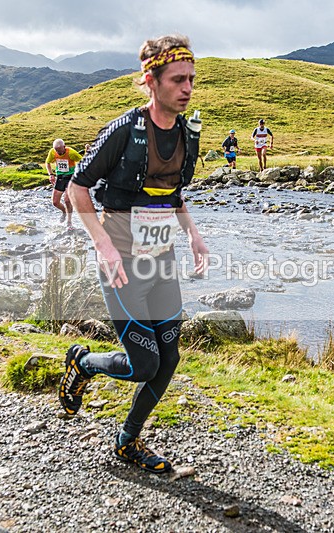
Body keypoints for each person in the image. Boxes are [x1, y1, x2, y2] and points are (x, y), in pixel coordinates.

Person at [64, 34, 209, 475]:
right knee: (144, 363)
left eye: (191, 80)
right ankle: (84, 363)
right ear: (151, 80)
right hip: (122, 265)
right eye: (178, 79)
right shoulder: (124, 131)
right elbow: (77, 188)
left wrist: (194, 235)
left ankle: (127, 441)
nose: (187, 88)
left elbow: (173, 193)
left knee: (170, 360)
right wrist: (102, 243)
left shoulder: (188, 133)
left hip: (162, 261)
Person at [46, 139, 83, 229]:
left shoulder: (71, 153)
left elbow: (83, 161)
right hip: (60, 177)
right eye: (56, 150)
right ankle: (64, 211)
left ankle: (69, 222)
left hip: (71, 178)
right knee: (55, 202)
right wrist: (51, 174)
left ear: (64, 146)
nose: (58, 152)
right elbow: (47, 163)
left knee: (67, 200)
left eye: (60, 150)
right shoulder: (52, 152)